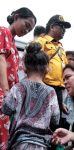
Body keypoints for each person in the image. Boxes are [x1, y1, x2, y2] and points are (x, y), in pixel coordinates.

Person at [2, 42, 60, 150]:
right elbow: (56, 119)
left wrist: (6, 95)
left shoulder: (18, 87)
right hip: (41, 144)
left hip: (18, 142)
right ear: (47, 68)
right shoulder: (51, 92)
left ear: (24, 67)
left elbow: (6, 109)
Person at [0, 7, 36, 150]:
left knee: (5, 135)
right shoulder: (3, 31)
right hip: (3, 92)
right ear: (16, 17)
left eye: (30, 29)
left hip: (8, 95)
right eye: (26, 25)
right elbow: (1, 61)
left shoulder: (14, 44)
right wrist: (7, 91)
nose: (26, 30)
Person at [36, 15, 71, 127]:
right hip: (44, 85)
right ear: (52, 27)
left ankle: (52, 144)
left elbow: (65, 67)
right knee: (41, 118)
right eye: (61, 27)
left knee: (55, 121)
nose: (64, 30)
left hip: (58, 89)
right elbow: (32, 60)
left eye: (65, 28)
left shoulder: (60, 47)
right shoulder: (41, 41)